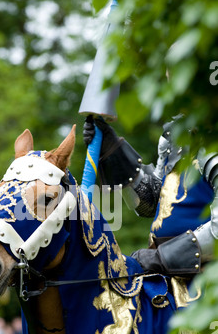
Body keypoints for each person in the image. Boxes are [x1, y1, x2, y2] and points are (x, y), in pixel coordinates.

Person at [83, 115, 218, 276]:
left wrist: (162, 257)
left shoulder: (212, 136)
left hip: (206, 275)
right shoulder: (176, 133)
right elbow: (151, 202)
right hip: (165, 272)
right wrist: (113, 151)